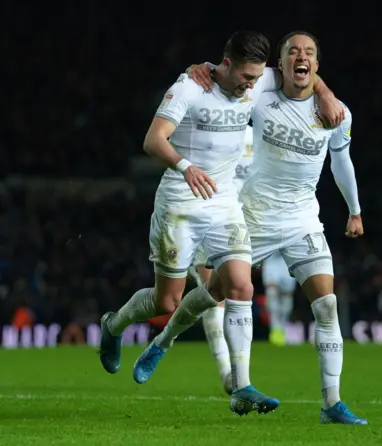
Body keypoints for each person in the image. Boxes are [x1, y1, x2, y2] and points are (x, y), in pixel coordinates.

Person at [99, 30, 343, 416]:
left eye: (256, 78)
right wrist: (185, 166)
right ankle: (114, 325)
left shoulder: (259, 77)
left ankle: (241, 385)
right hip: (180, 202)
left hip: (225, 203)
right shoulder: (190, 87)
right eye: (246, 78)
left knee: (240, 285)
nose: (252, 87)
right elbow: (153, 139)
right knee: (167, 300)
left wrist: (326, 93)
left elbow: (301, 73)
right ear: (225, 65)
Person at [156, 30, 367, 424]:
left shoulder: (338, 113)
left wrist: (354, 210)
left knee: (327, 305)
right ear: (280, 63)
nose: (301, 58)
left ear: (317, 66)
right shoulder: (260, 91)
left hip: (303, 218)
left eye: (309, 54)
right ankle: (164, 339)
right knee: (215, 292)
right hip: (252, 214)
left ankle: (332, 403)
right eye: (292, 52)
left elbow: (343, 163)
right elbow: (226, 78)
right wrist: (197, 70)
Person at [186, 126, 255, 395]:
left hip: (241, 225)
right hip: (206, 218)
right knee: (215, 295)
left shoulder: (260, 134)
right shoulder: (209, 128)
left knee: (231, 292)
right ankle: (228, 372)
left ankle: (235, 372)